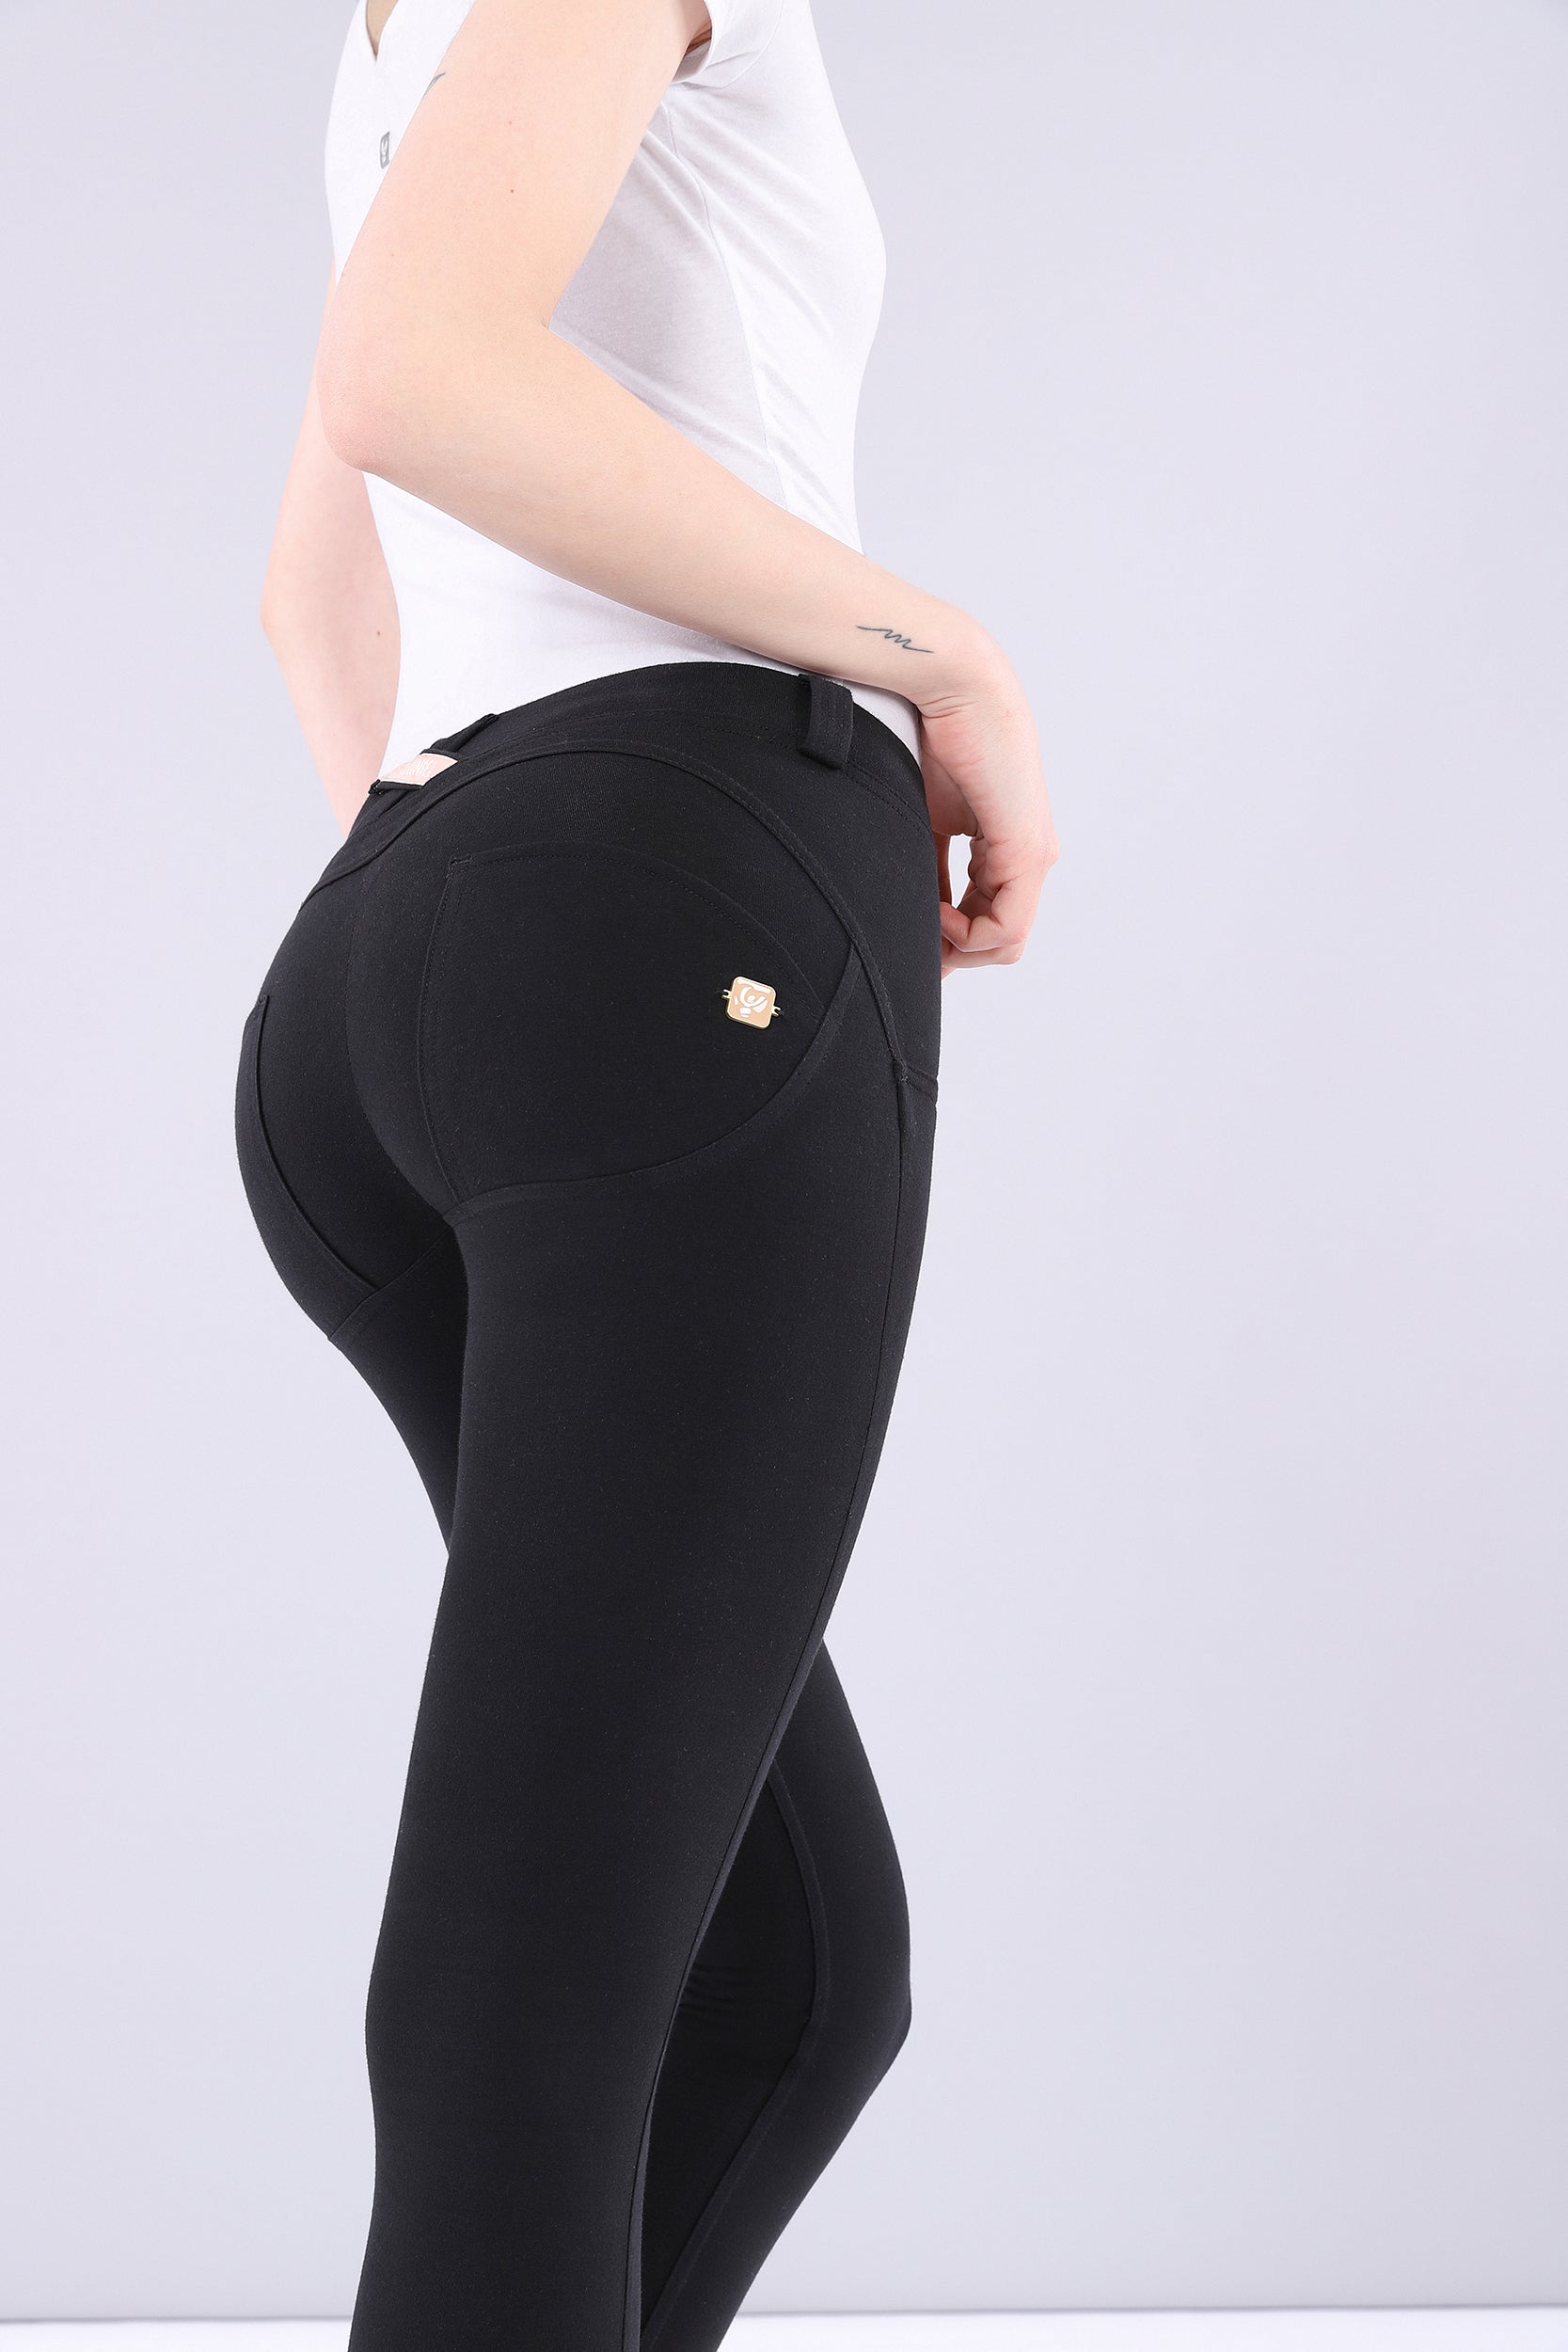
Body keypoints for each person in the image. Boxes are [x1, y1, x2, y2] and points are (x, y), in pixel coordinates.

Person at [239, 0, 1057, 2344]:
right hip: (683, 892)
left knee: (794, 1966)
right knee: (532, 2015)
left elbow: (313, 596)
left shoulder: (388, 47)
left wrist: (492, 933)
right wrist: (947, 657)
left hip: (387, 972)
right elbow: (413, 374)